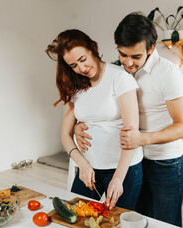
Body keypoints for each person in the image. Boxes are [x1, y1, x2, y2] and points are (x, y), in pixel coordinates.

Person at [74, 13, 183, 227]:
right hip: (134, 161)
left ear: (151, 48)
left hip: (164, 162)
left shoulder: (168, 74)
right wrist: (78, 126)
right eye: (122, 54)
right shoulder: (118, 71)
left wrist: (141, 139)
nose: (128, 62)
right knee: (138, 222)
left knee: (166, 226)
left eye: (136, 56)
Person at [46, 29, 143, 210]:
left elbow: (132, 133)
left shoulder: (120, 78)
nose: (81, 68)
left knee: (117, 225)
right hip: (89, 168)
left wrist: (118, 179)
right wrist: (81, 163)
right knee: (75, 216)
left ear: (93, 49)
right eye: (74, 65)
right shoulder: (76, 86)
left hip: (124, 169)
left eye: (82, 59)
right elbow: (65, 134)